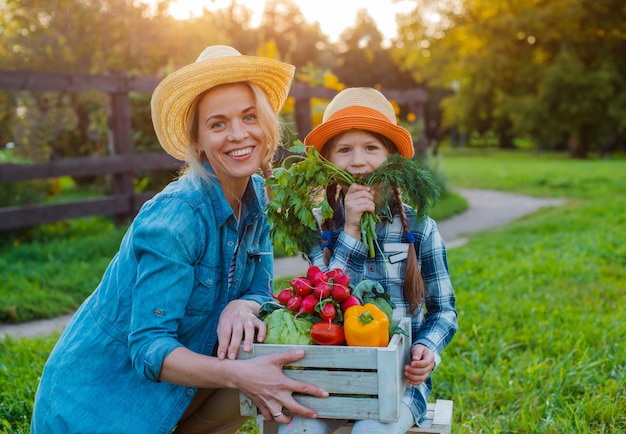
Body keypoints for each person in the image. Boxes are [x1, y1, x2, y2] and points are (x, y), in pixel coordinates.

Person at [30, 45, 328, 434]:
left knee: (273, 346)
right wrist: (241, 376)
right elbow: (149, 349)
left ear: (266, 124)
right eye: (218, 124)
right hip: (99, 411)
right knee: (253, 371)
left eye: (249, 117)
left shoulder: (255, 196)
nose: (239, 134)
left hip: (173, 399)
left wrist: (244, 304)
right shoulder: (175, 219)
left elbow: (262, 290)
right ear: (199, 140)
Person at [279, 88, 458, 434]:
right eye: (345, 150)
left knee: (369, 431)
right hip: (334, 377)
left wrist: (427, 349)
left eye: (370, 148)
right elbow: (321, 303)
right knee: (297, 430)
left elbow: (444, 310)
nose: (358, 162)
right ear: (329, 162)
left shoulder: (420, 228)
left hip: (400, 383)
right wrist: (349, 231)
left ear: (391, 159)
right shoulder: (319, 226)